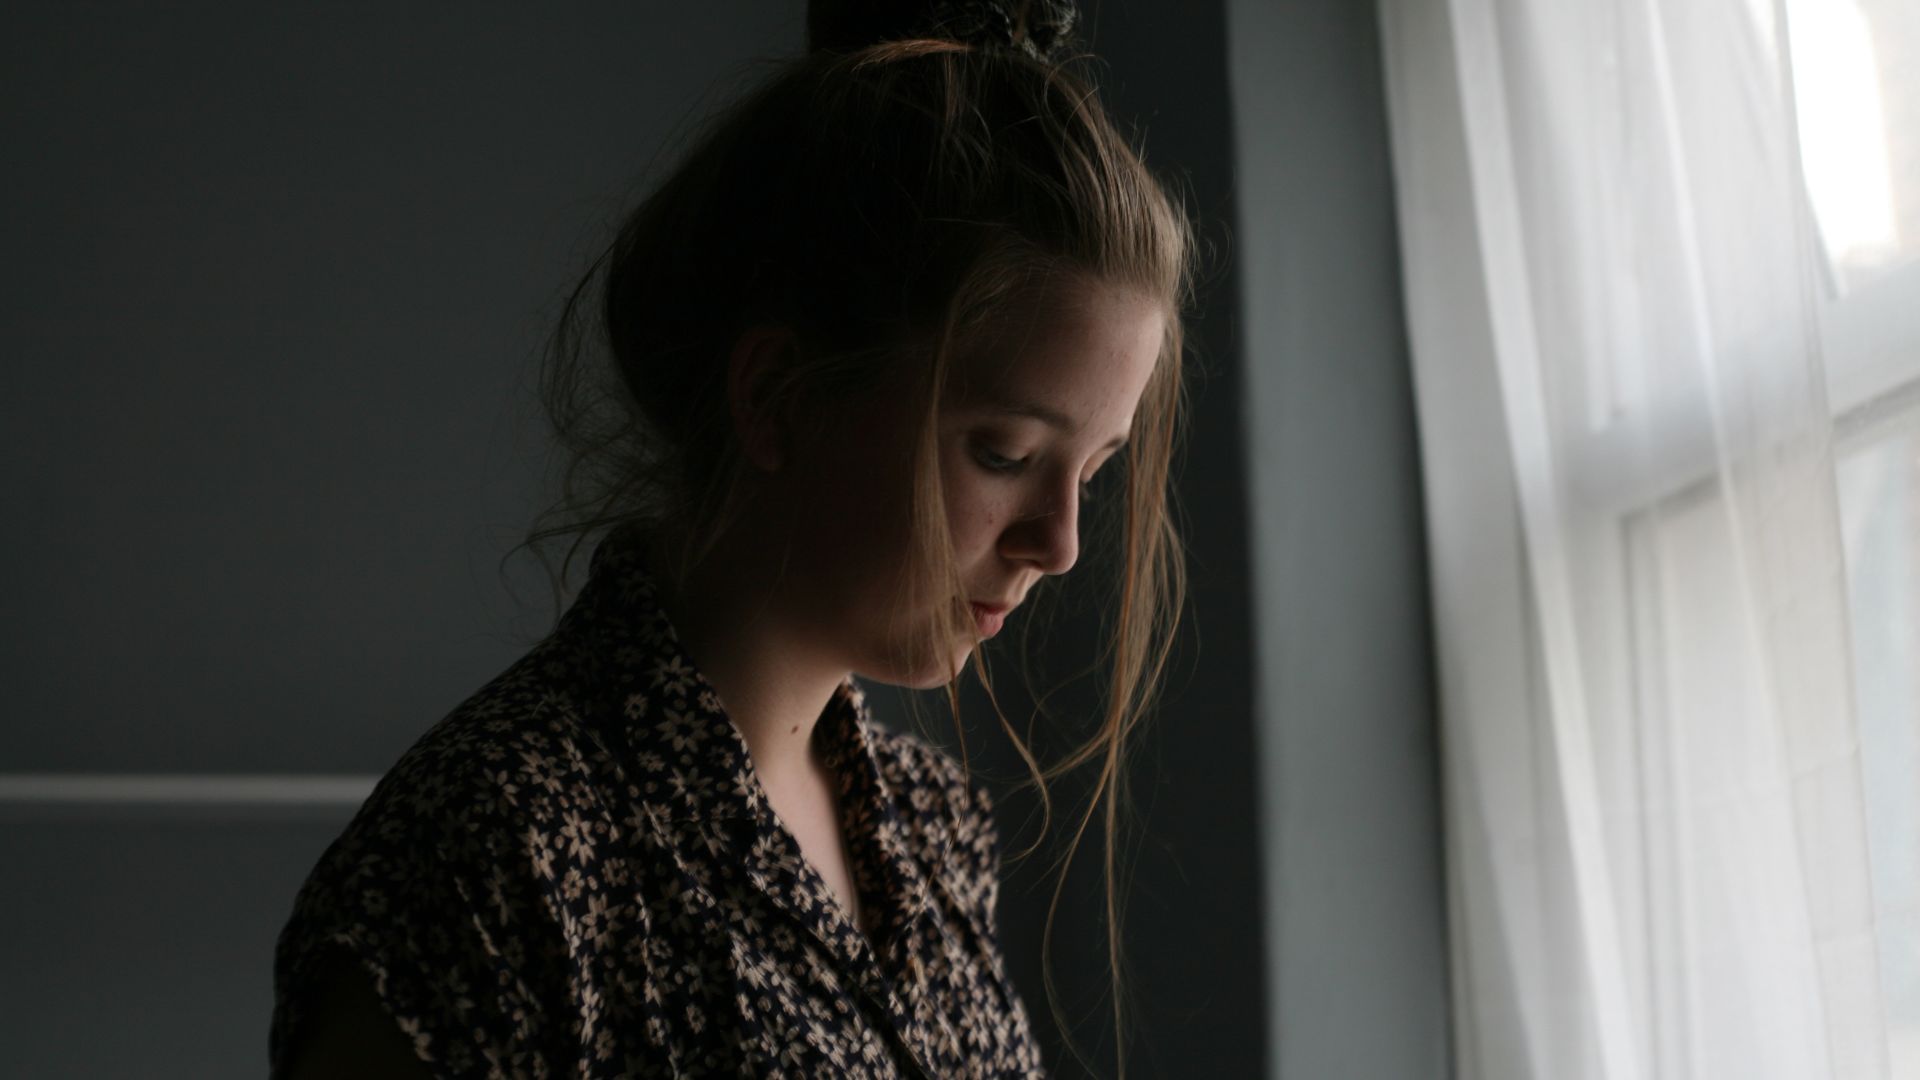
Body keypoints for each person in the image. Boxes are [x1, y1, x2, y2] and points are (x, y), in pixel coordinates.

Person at [269, 0, 1196, 1076]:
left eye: (1092, 470)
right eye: (1002, 453)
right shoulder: (488, 858)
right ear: (779, 397)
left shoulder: (933, 824)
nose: (1060, 542)